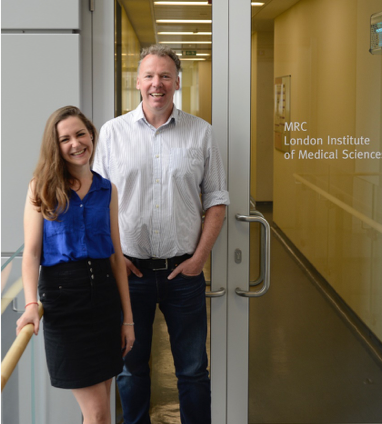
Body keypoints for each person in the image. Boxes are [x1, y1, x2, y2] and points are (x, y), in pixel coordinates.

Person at [93, 45, 230, 424]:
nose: (158, 83)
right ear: (137, 82)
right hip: (128, 274)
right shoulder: (112, 133)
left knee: (191, 371)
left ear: (177, 83)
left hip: (182, 275)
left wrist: (198, 259)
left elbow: (217, 200)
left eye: (166, 75)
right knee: (131, 370)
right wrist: (113, 257)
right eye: (150, 76)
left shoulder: (201, 133)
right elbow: (95, 202)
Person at [16, 106, 135, 424]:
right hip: (64, 302)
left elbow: (115, 256)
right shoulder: (40, 188)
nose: (76, 143)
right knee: (97, 414)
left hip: (105, 300)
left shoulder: (106, 189)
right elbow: (31, 254)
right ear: (55, 146)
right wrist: (31, 303)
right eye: (65, 138)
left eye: (80, 134)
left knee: (101, 411)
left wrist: (128, 320)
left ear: (92, 135)